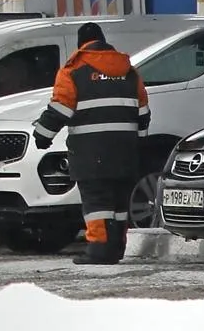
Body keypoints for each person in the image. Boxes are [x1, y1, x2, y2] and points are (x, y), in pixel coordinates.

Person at [31, 22, 150, 266]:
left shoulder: (73, 70)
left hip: (91, 151)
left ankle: (99, 250)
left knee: (97, 201)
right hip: (125, 151)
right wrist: (137, 140)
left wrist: (42, 135)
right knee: (119, 203)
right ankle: (116, 248)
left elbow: (60, 108)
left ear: (81, 44)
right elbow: (143, 113)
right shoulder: (129, 71)